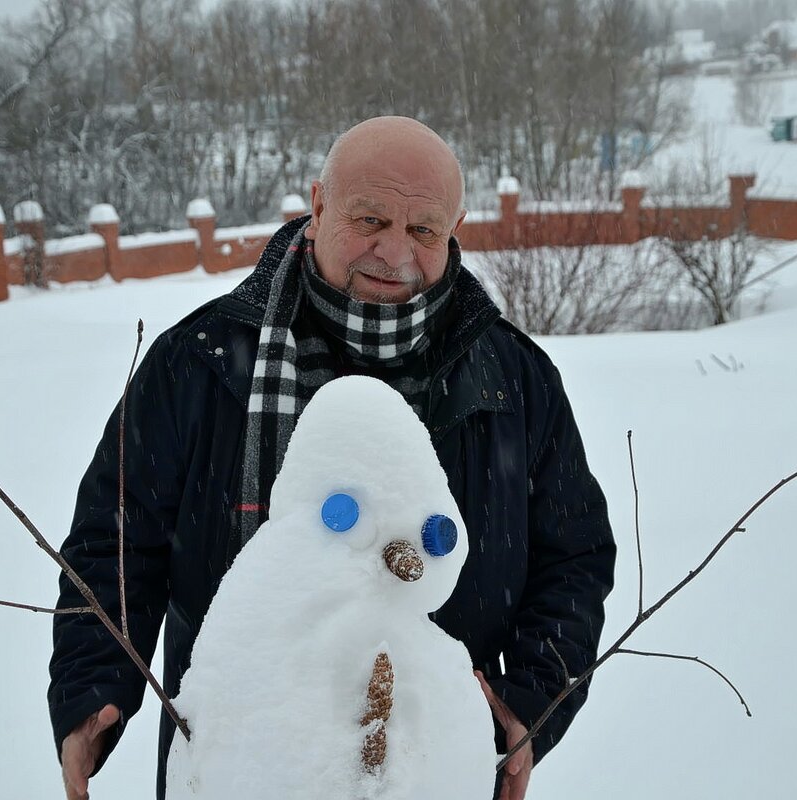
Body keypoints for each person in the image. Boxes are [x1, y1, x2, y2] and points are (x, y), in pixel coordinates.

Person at [49, 116, 616, 800]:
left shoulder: (514, 380)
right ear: (317, 206)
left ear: (456, 227)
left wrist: (532, 702)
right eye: (370, 218)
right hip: (240, 764)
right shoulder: (198, 365)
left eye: (423, 229)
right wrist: (91, 690)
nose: (394, 251)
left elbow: (574, 556)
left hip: (433, 768)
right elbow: (116, 538)